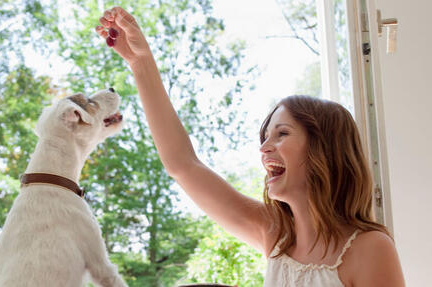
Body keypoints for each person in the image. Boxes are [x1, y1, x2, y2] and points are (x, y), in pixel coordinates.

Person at [95, 6, 405, 287]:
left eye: (282, 134)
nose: (264, 149)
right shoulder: (275, 235)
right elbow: (182, 165)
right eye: (265, 137)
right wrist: (140, 62)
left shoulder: (369, 249)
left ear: (323, 149)